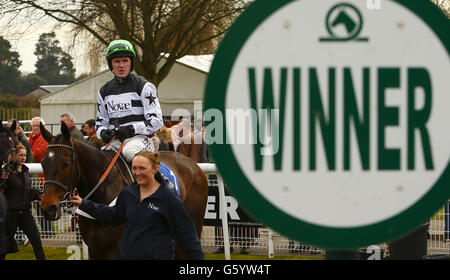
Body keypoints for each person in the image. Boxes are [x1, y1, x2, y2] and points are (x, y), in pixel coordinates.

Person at [69, 151, 204, 260]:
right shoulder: (127, 194)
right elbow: (112, 215)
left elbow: (189, 236)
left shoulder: (169, 199)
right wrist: (84, 204)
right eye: (134, 168)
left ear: (155, 168)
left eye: (142, 168)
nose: (137, 173)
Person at [96, 39, 163, 162]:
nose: (121, 65)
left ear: (131, 63)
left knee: (129, 152)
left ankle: (160, 179)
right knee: (97, 158)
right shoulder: (103, 91)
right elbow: (100, 123)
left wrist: (131, 129)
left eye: (125, 61)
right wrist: (103, 133)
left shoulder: (144, 86)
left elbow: (157, 121)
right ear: (111, 65)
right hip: (115, 142)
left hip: (140, 139)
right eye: (117, 61)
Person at [0, 144, 46, 260]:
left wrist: (38, 194)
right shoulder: (8, 172)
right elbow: (3, 191)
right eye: (20, 155)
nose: (23, 157)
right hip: (11, 214)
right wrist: (3, 180)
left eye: (25, 155)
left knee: (36, 241)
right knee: (5, 245)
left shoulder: (26, 172)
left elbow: (27, 192)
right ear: (15, 156)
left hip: (25, 213)